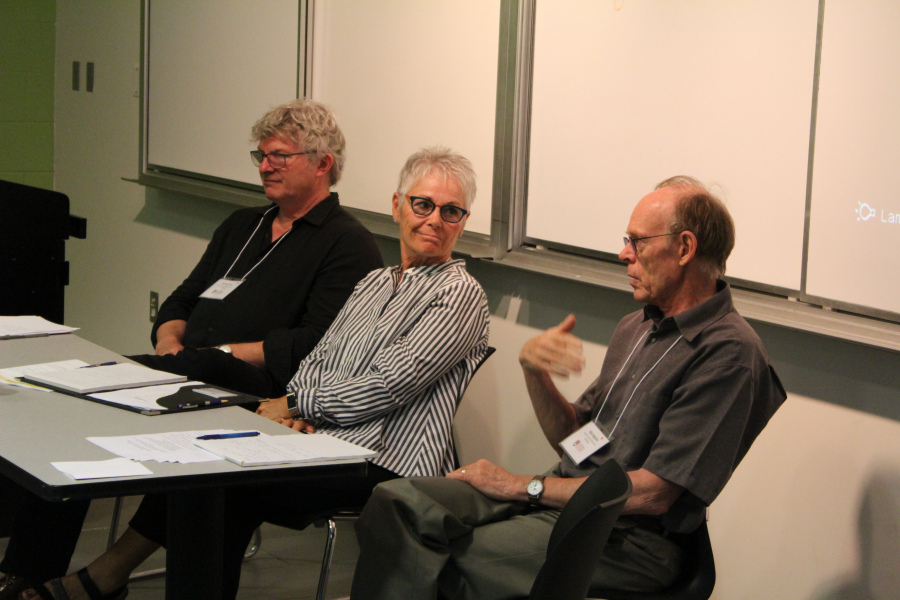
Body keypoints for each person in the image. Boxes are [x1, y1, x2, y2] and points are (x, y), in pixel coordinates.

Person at [22, 147, 491, 600]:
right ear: (397, 206)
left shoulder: (459, 294)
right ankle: (103, 575)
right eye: (423, 204)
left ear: (463, 223)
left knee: (219, 482)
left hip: (382, 462)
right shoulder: (375, 281)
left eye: (451, 212)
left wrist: (296, 405)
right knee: (204, 467)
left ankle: (103, 578)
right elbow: (319, 360)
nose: (434, 220)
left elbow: (387, 384)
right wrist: (301, 410)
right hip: (321, 436)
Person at [0, 98, 383, 600]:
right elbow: (182, 297)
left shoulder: (347, 243)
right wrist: (169, 344)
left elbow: (314, 342)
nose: (265, 165)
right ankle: (24, 572)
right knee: (78, 415)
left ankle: (94, 577)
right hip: (186, 369)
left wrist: (217, 354)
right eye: (261, 155)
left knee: (106, 399)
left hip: (260, 389)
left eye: (279, 156)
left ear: (322, 163)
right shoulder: (244, 224)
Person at [349, 176, 787, 599]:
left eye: (637, 242)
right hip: (563, 496)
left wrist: (520, 485)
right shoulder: (636, 326)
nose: (623, 254)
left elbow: (655, 494)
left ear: (685, 247)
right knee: (395, 502)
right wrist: (534, 373)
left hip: (630, 536)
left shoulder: (729, 353)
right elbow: (577, 441)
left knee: (449, 559)